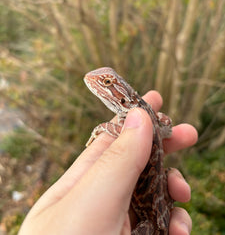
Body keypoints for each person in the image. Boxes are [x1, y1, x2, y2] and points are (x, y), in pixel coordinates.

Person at [19, 91, 197, 235]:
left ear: (123, 99)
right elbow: (167, 124)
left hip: (151, 218)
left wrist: (104, 127)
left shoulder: (138, 123)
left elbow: (166, 127)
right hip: (153, 212)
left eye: (107, 83)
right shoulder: (144, 121)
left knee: (169, 189)